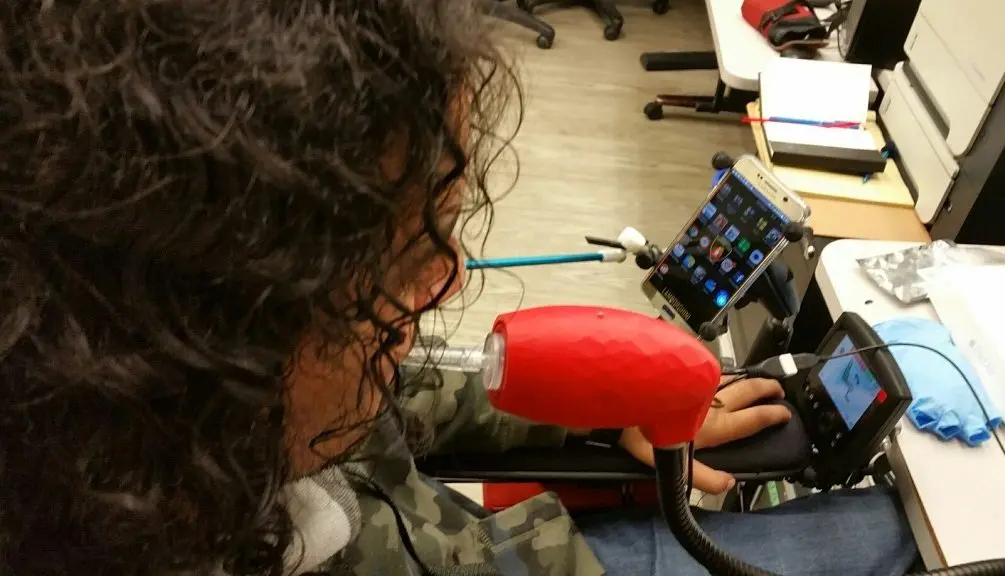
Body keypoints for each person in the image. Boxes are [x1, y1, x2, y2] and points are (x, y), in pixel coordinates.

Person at [0, 1, 918, 574]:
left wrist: (604, 409)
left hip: (491, 544)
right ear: (205, 326)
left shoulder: (252, 391)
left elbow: (404, 394)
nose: (445, 285)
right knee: (898, 534)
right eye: (394, 268)